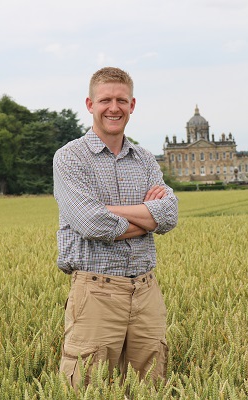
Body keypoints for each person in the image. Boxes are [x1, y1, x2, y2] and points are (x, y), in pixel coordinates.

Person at [53, 66, 179, 389]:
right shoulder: (70, 158)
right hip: (95, 293)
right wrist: (146, 218)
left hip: (146, 292)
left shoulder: (146, 159)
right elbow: (90, 223)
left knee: (150, 387)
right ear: (89, 104)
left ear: (132, 105)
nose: (114, 107)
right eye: (105, 99)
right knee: (87, 387)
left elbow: (169, 214)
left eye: (121, 100)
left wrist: (111, 211)